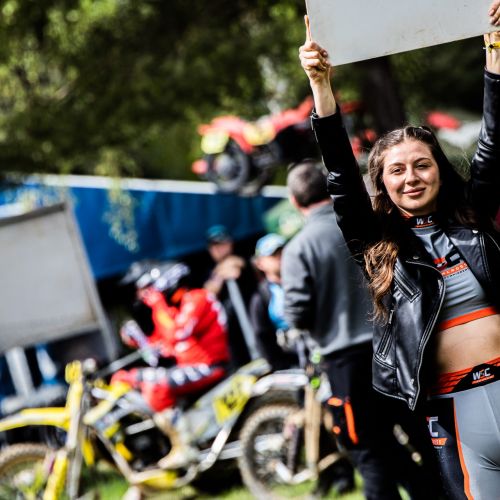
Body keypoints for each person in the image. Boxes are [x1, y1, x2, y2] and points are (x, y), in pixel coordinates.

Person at [299, 2, 500, 497]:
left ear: (439, 170)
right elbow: (341, 177)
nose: (411, 177)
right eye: (397, 170)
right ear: (383, 183)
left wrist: (495, 50)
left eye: (422, 165)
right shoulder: (378, 246)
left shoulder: (473, 216)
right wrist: (322, 87)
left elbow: (494, 144)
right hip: (454, 412)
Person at [111, 262, 230, 467]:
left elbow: (178, 333)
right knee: (130, 376)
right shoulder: (176, 309)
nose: (148, 296)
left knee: (157, 385)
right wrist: (138, 340)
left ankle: (184, 448)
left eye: (152, 290)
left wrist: (158, 305)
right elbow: (162, 346)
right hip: (190, 366)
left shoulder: (197, 298)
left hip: (209, 366)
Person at [203, 224, 258, 367]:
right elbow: (208, 292)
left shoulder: (242, 260)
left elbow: (236, 269)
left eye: (222, 244)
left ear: (230, 243)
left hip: (252, 322)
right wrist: (219, 274)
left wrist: (229, 266)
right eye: (214, 246)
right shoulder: (210, 272)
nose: (218, 249)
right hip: (230, 332)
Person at [249, 233, 297, 369]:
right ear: (259, 263)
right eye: (273, 255)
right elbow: (262, 338)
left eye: (282, 252)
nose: (280, 257)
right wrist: (281, 367)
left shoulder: (303, 279)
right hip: (292, 364)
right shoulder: (261, 297)